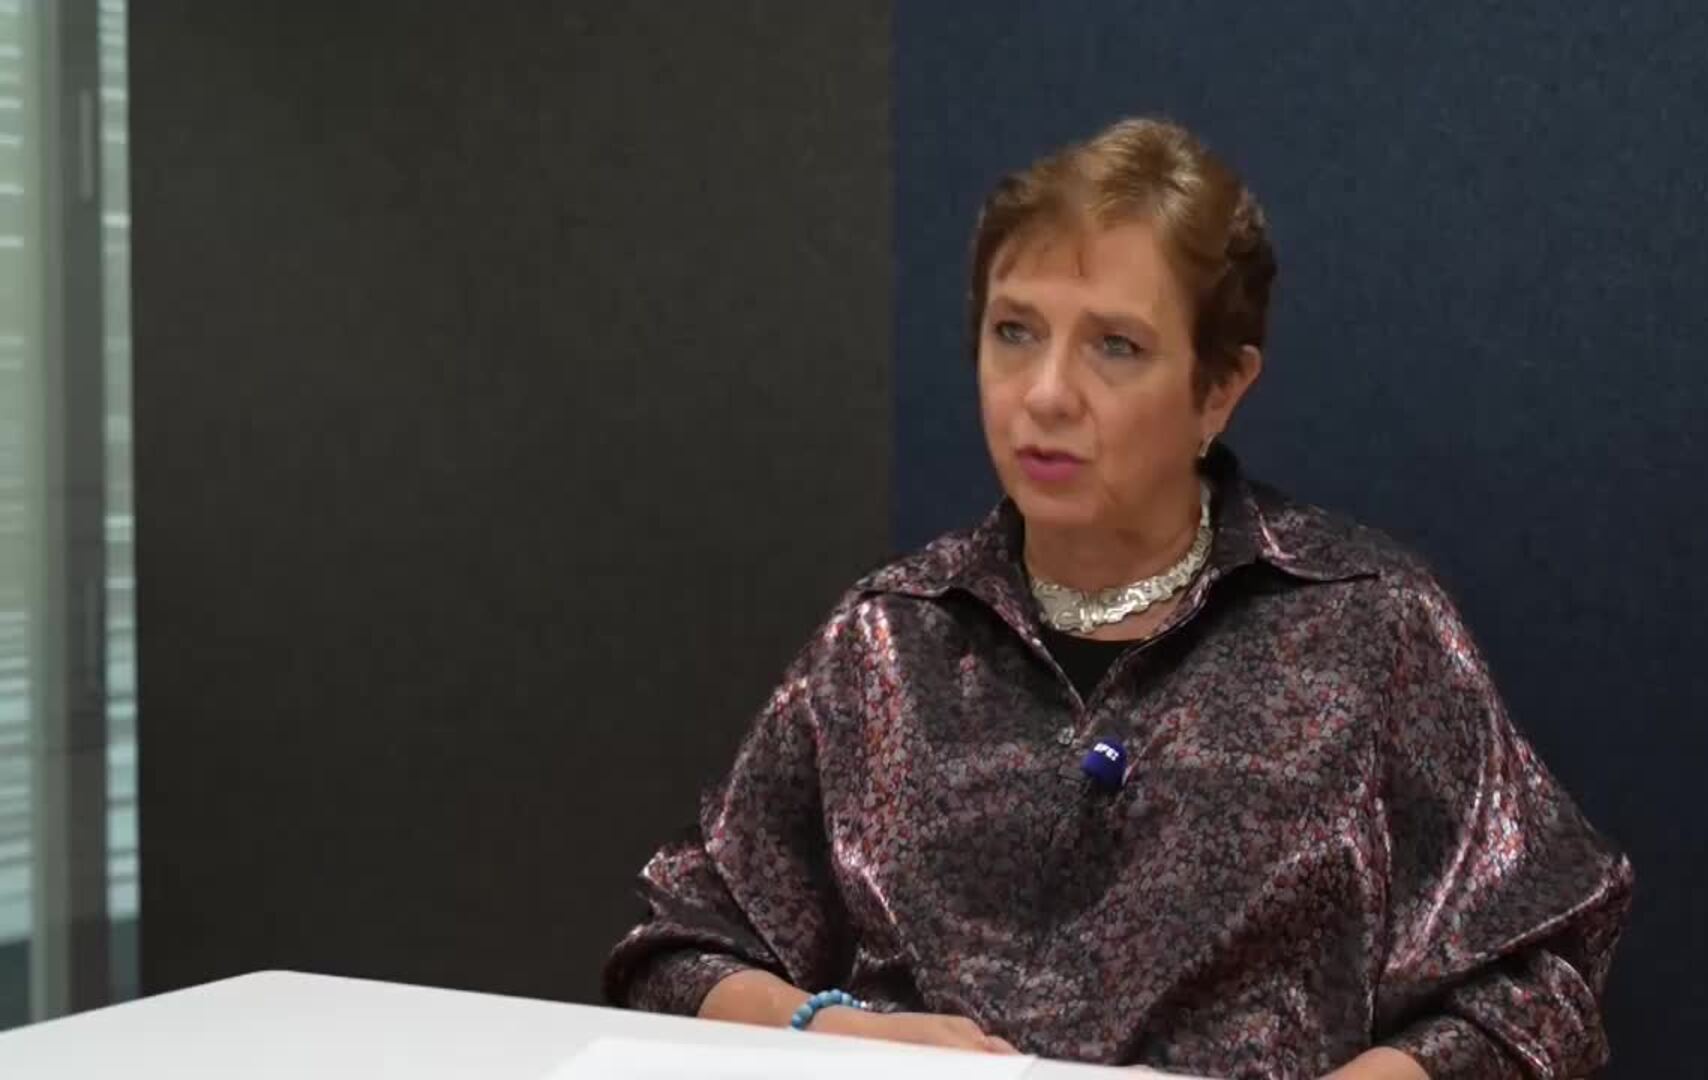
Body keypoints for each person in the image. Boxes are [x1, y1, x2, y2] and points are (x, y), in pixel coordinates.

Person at [603, 117, 1631, 1080]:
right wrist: (838, 1032)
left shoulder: (1366, 624)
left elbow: (1538, 985)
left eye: (1115, 346)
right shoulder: (887, 638)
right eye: (1015, 331)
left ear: (1219, 388)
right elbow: (677, 947)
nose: (1046, 393)